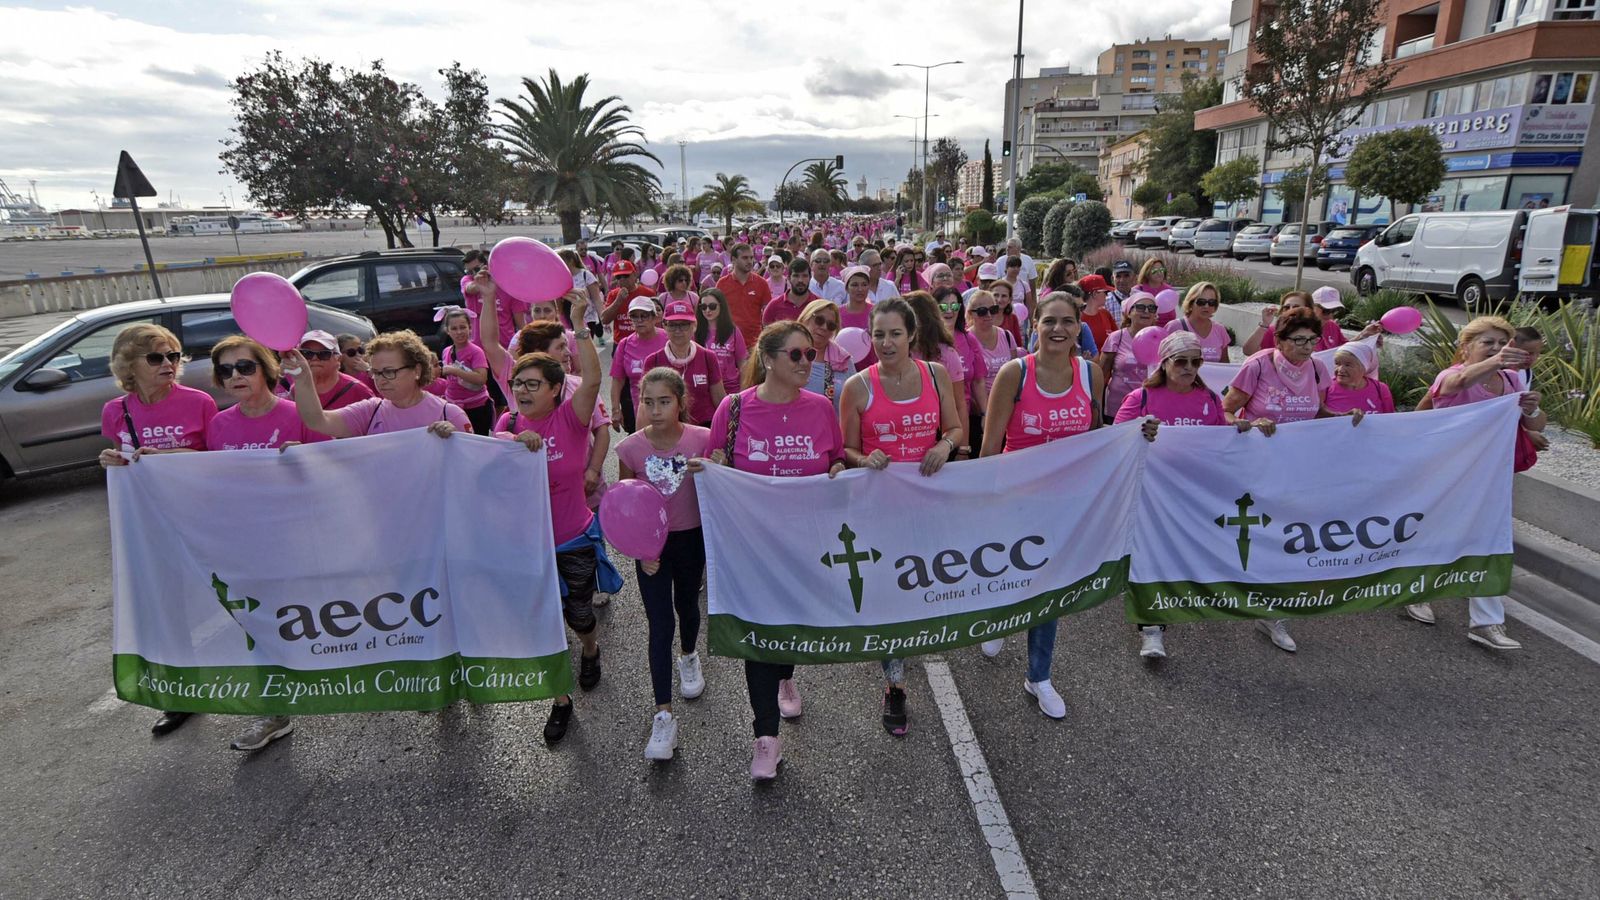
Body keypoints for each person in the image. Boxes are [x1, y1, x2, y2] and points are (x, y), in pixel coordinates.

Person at [706, 322, 847, 780]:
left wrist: (843, 470)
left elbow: (836, 460)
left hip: (806, 546)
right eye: (796, 355)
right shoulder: (732, 410)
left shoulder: (823, 407)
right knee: (759, 637)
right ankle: (765, 737)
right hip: (751, 549)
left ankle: (787, 672)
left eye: (810, 354)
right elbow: (715, 467)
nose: (807, 362)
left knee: (789, 628)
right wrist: (713, 466)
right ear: (768, 359)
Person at [490, 306, 617, 744]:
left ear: (556, 388)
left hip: (574, 540)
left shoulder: (570, 418)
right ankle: (559, 700)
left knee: (580, 616)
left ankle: (590, 648)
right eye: (517, 383)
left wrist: (580, 325)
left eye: (532, 384)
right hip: (527, 548)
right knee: (543, 624)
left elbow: (596, 381)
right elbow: (486, 470)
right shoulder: (506, 423)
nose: (522, 390)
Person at [839, 298, 964, 736]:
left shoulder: (936, 374)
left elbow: (954, 428)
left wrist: (943, 447)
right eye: (878, 334)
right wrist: (863, 457)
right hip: (881, 511)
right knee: (890, 599)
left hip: (931, 506)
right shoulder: (857, 386)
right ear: (868, 337)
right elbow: (845, 451)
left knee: (926, 586)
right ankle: (894, 685)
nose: (886, 342)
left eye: (894, 333)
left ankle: (924, 641)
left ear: (911, 334)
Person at [978, 294, 1104, 718]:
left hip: (1066, 504)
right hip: (1016, 499)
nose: (1058, 330)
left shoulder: (1091, 374)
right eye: (1049, 321)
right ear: (1034, 324)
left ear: (1078, 327)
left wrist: (1141, 435)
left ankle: (1039, 676)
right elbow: (991, 444)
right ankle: (1000, 617)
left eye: (1068, 322)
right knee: (1011, 575)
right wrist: (984, 502)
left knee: (1049, 587)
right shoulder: (1015, 373)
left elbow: (1098, 436)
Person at [97, 322, 219, 739]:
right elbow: (124, 461)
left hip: (201, 520)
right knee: (167, 609)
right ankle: (183, 694)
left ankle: (263, 683)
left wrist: (173, 455)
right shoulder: (116, 411)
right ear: (129, 365)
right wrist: (110, 461)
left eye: (173, 355)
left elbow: (219, 461)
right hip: (151, 525)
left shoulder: (199, 401)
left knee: (228, 599)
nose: (168, 364)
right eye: (156, 357)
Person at [1223, 309, 1364, 653]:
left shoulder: (1317, 368)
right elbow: (1225, 411)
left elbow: (1316, 412)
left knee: (1289, 536)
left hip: (1299, 467)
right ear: (1281, 340)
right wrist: (1251, 424)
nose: (1306, 347)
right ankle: (1235, 590)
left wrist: (1343, 418)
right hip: (1257, 468)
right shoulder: (1257, 365)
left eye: (1312, 340)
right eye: (1298, 340)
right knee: (1257, 538)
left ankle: (1275, 615)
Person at [1114, 331, 1256, 659]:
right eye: (1181, 361)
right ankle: (1151, 629)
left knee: (1182, 556)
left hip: (1191, 495)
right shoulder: (1142, 399)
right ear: (1164, 363)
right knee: (1152, 558)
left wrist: (1240, 430)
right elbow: (1115, 441)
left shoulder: (1207, 399)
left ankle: (1179, 604)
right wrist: (1137, 434)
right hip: (1150, 494)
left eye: (1196, 361)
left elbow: (1219, 440)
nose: (1189, 368)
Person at [1406, 316, 1543, 648]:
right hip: (1447, 474)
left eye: (1502, 343)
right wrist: (1497, 361)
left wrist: (1530, 409)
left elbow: (1536, 422)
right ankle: (1416, 591)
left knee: (1490, 541)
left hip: (1490, 478)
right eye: (1488, 343)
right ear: (1465, 347)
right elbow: (1458, 384)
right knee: (1435, 534)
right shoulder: (1451, 376)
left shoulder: (1512, 379)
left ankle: (1486, 622)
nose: (1497, 349)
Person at [616, 368, 711, 761]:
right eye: (648, 401)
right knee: (659, 623)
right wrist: (641, 551)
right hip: (651, 549)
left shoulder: (702, 440)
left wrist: (711, 467)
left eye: (664, 401)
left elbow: (721, 489)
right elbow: (623, 506)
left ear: (680, 402)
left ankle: (689, 654)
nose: (655, 410)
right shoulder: (630, 450)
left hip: (691, 540)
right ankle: (663, 714)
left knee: (686, 607)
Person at [286, 330, 472, 439]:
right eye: (375, 372)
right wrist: (302, 378)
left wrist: (456, 439)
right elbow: (317, 421)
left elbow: (475, 468)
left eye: (389, 372)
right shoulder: (371, 410)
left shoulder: (449, 414)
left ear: (416, 370)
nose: (381, 380)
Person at [644, 300, 726, 426]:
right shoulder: (653, 360)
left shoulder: (708, 357)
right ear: (664, 326)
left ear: (694, 326)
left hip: (704, 427)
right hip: (669, 429)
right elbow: (646, 405)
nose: (678, 330)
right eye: (672, 325)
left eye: (684, 324)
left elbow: (720, 400)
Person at [963, 289, 1021, 455]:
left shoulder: (1007, 336)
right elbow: (967, 381)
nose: (989, 315)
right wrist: (984, 411)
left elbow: (1016, 372)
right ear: (971, 314)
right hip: (978, 414)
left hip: (1008, 410)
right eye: (982, 311)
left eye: (993, 310)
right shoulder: (965, 340)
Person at [905, 291, 969, 429]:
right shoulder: (898, 352)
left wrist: (963, 448)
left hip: (941, 433)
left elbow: (959, 404)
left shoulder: (947, 354)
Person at [1098, 293, 1163, 423]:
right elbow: (1102, 374)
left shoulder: (1162, 338)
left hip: (1150, 408)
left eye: (1151, 308)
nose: (1146, 311)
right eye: (1140, 307)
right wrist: (1096, 406)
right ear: (1129, 312)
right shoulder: (1117, 337)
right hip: (1117, 407)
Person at [610, 297, 669, 433]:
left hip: (670, 411)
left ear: (655, 317)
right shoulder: (624, 344)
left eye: (644, 316)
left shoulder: (668, 340)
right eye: (634, 316)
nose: (639, 320)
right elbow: (617, 380)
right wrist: (615, 410)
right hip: (640, 413)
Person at [435, 307, 494, 436]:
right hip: (454, 407)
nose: (459, 332)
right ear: (447, 331)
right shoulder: (447, 351)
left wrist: (455, 370)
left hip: (477, 406)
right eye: (454, 329)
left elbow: (481, 378)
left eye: (463, 327)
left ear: (470, 328)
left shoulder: (476, 351)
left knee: (478, 442)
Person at [291, 331, 376, 409]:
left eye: (324, 354)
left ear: (338, 359)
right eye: (307, 353)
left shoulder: (358, 390)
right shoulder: (297, 388)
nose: (314, 358)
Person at [798, 298, 855, 408]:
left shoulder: (844, 360)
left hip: (832, 424)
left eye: (831, 326)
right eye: (819, 320)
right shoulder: (787, 353)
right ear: (805, 318)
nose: (824, 327)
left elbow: (855, 399)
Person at [695, 288, 749, 400]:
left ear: (721, 306)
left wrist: (743, 391)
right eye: (703, 307)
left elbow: (742, 362)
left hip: (731, 387)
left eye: (712, 306)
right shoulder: (695, 331)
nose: (707, 310)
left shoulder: (733, 331)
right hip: (705, 388)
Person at [717, 242, 771, 349]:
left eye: (751, 258)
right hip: (729, 342)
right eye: (745, 258)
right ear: (733, 259)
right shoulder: (722, 284)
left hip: (754, 343)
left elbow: (767, 314)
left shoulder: (762, 283)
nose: (750, 261)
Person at [1164, 282, 1232, 362]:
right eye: (1201, 302)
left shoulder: (1220, 330)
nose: (1206, 306)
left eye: (1211, 303)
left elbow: (1224, 365)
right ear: (1191, 303)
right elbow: (1162, 362)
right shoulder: (1174, 327)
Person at [1325, 342, 1395, 415]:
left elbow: (1390, 420)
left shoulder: (1381, 389)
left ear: (1364, 367)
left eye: (1348, 365)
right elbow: (1316, 415)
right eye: (1337, 363)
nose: (1340, 370)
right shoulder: (1325, 386)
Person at [839, 265, 878, 368]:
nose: (860, 289)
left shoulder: (877, 312)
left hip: (872, 367)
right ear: (847, 288)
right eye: (855, 285)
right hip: (844, 369)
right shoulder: (837, 314)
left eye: (864, 284)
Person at [763, 257, 816, 325]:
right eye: (796, 276)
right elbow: (766, 333)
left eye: (804, 276)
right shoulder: (773, 306)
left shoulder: (818, 305)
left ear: (810, 277)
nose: (800, 280)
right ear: (788, 278)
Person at [1077, 274, 1117, 347]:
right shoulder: (1078, 318)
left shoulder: (1105, 314)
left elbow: (1117, 339)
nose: (1107, 295)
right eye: (1105, 292)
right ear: (1095, 293)